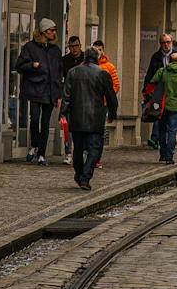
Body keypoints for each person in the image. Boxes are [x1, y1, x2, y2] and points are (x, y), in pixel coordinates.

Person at [64, 49, 118, 189]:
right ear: (97, 59)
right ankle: (85, 177)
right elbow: (111, 96)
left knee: (78, 148)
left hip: (76, 118)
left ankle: (79, 173)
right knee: (94, 150)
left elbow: (66, 96)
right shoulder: (102, 73)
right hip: (95, 117)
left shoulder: (73, 72)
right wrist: (112, 113)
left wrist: (63, 113)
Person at [14, 20, 62, 164]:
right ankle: (34, 145)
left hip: (50, 90)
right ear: (43, 32)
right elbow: (19, 66)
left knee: (46, 123)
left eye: (54, 30)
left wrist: (59, 94)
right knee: (34, 119)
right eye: (51, 30)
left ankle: (41, 153)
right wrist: (32, 65)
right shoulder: (30, 47)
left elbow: (59, 73)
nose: (54, 33)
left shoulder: (55, 50)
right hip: (35, 89)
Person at [145, 50, 177, 164]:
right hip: (176, 107)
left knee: (162, 130)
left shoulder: (162, 71)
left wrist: (151, 99)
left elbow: (151, 84)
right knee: (173, 131)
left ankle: (163, 154)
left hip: (162, 106)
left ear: (169, 61)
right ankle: (169, 156)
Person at [91, 41, 121, 164]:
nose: (98, 52)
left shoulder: (109, 67)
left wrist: (106, 96)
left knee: (100, 131)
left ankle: (97, 157)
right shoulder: (85, 66)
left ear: (103, 51)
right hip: (88, 104)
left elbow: (116, 85)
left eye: (100, 50)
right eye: (96, 50)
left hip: (102, 105)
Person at [144, 34, 176, 147]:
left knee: (172, 118)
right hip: (159, 91)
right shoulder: (156, 57)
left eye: (168, 42)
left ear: (172, 42)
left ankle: (169, 141)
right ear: (160, 44)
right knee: (158, 113)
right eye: (163, 42)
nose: (166, 44)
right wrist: (145, 90)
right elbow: (150, 74)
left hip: (173, 92)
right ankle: (156, 140)